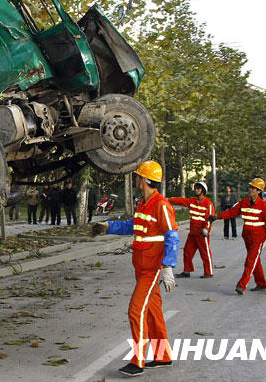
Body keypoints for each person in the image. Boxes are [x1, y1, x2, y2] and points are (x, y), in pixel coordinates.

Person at [91, 161, 179, 376]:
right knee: (152, 313)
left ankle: (138, 360)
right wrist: (108, 226)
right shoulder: (143, 203)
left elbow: (173, 236)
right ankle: (162, 356)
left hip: (152, 269)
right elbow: (133, 226)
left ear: (145, 180)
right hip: (141, 267)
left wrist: (167, 266)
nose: (136, 179)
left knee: (136, 310)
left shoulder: (161, 205)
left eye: (139, 176)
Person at [209, 178, 266, 295]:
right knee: (255, 259)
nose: (250, 190)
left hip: (258, 236)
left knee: (250, 261)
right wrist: (217, 216)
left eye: (253, 188)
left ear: (259, 191)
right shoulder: (244, 202)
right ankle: (261, 283)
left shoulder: (263, 205)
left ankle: (242, 285)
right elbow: (231, 212)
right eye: (250, 187)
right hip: (247, 236)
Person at [168, 182, 215, 278]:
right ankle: (187, 271)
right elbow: (181, 201)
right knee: (187, 251)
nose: (196, 190)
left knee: (205, 253)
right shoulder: (192, 201)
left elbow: (209, 219)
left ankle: (208, 272)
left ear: (203, 191)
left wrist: (206, 229)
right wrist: (168, 200)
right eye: (196, 188)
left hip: (202, 234)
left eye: (198, 189)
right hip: (192, 233)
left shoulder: (208, 204)